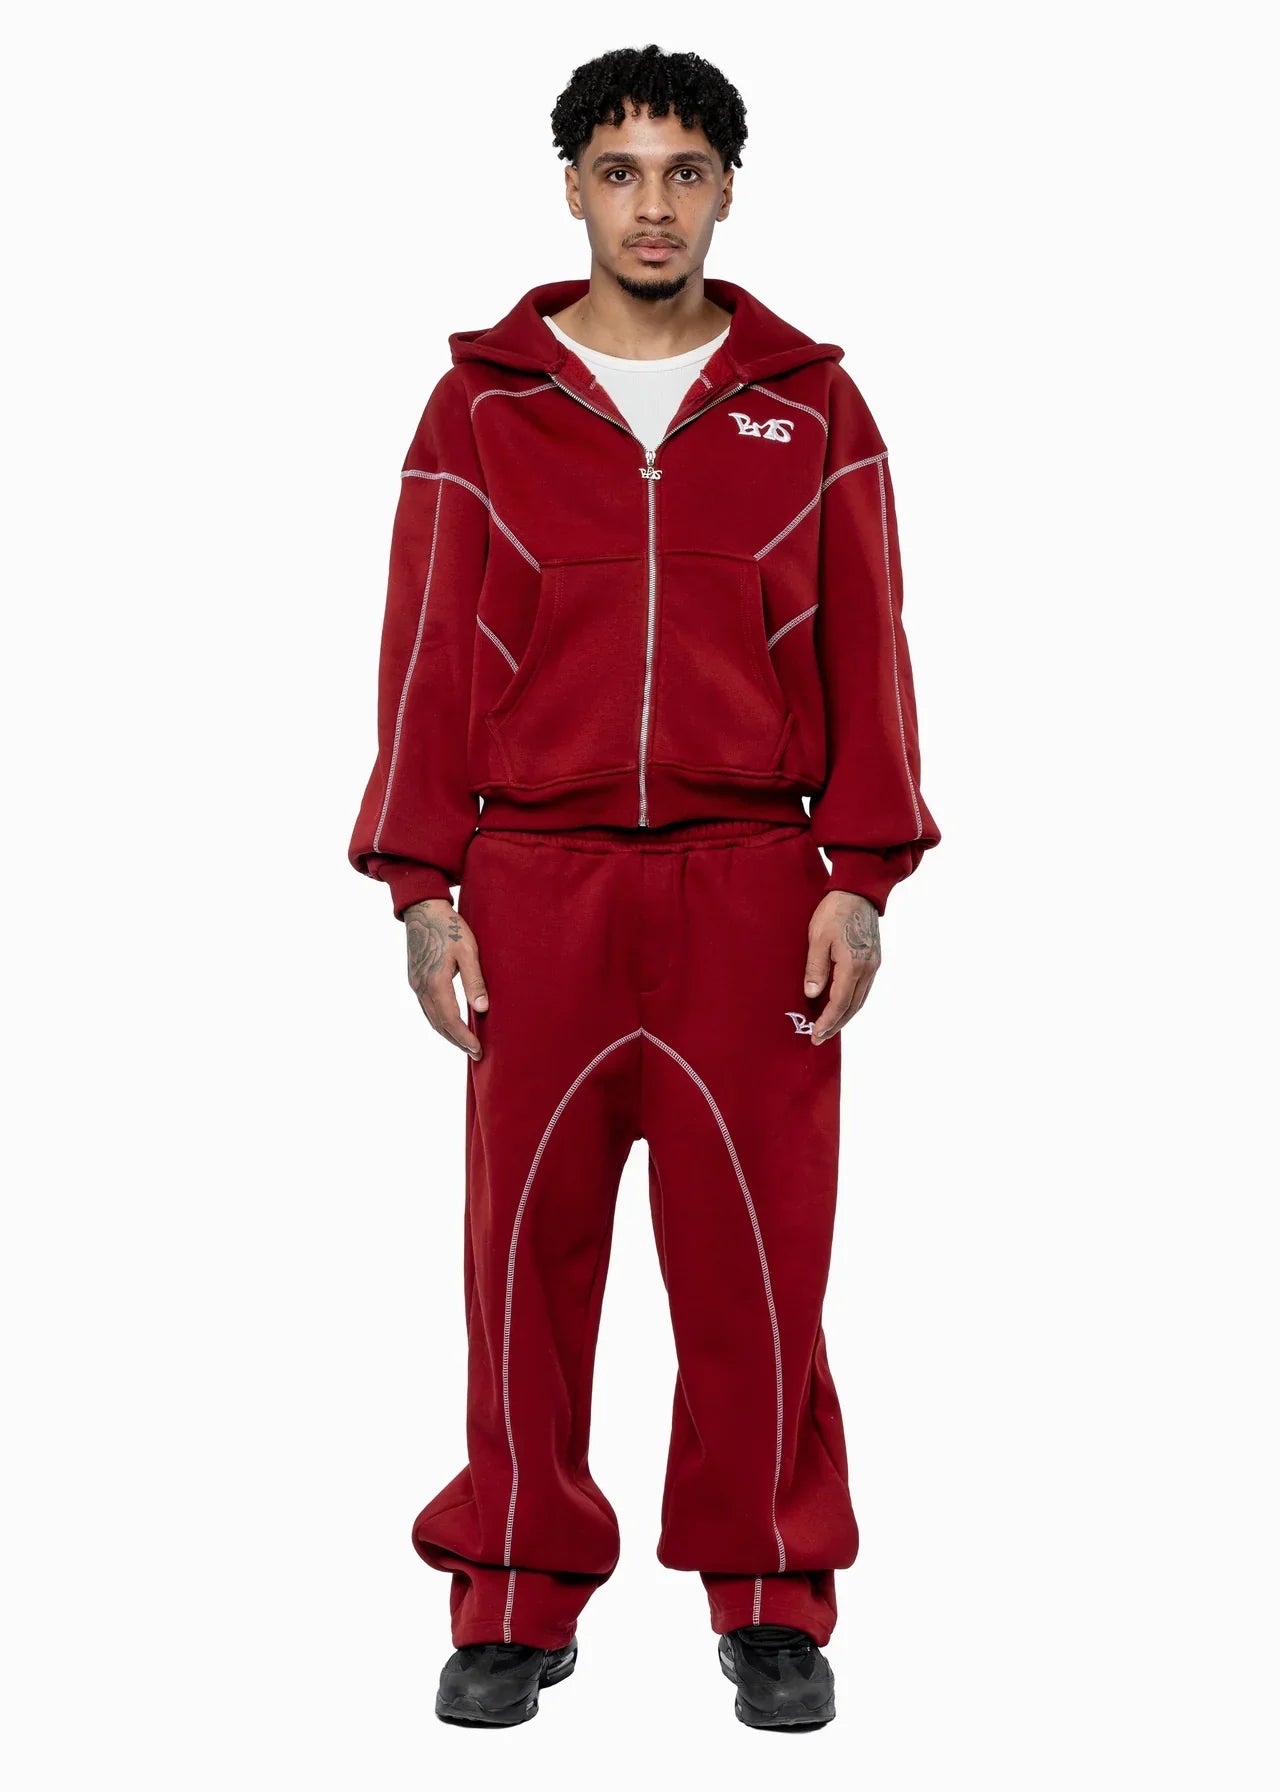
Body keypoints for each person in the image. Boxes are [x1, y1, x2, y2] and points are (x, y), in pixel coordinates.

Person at [347, 42, 940, 1731]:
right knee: (521, 1263)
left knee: (760, 1266)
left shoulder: (811, 407)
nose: (654, 204)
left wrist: (861, 873)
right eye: (622, 171)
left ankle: (770, 1596)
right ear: (573, 190)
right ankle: (511, 1594)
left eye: (686, 171)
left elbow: (869, 649)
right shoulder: (483, 407)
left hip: (753, 885)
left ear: (729, 189)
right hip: (533, 887)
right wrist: (422, 885)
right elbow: (426, 652)